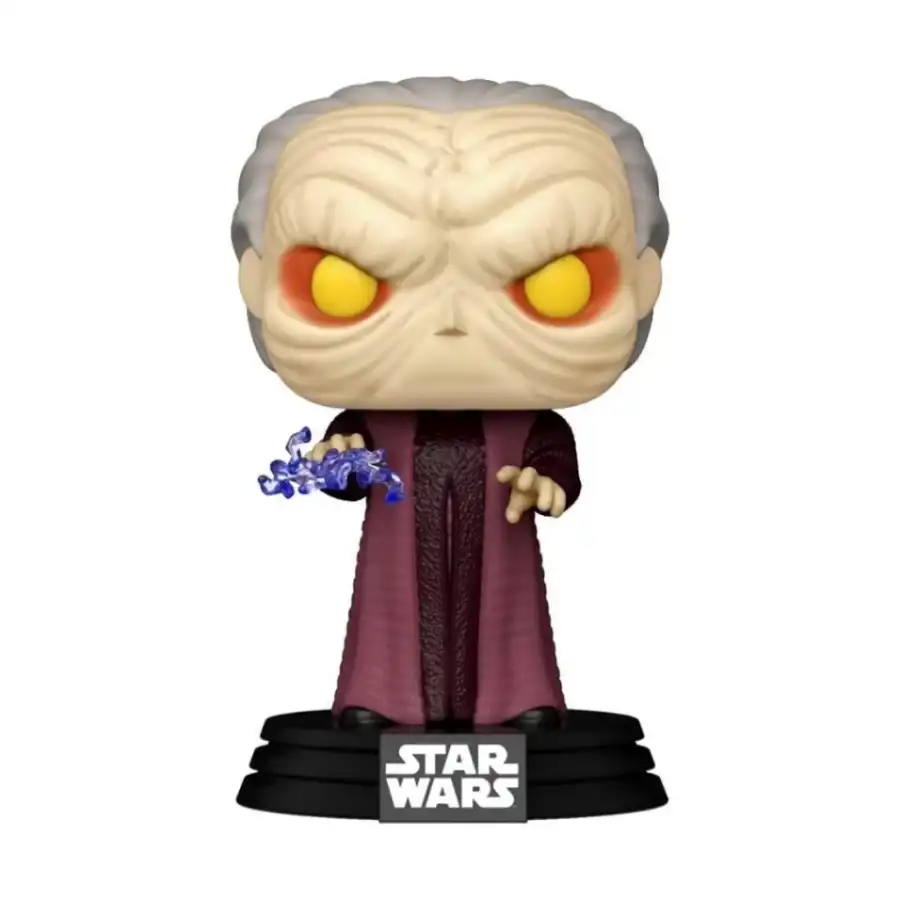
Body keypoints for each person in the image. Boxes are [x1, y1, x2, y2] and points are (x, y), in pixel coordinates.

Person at [232, 77, 668, 728]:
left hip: (502, 552)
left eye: (558, 282)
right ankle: (378, 702)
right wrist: (336, 462)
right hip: (396, 558)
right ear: (257, 281)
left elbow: (554, 463)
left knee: (509, 616)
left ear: (642, 281)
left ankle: (520, 703)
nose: (451, 322)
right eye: (342, 283)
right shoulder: (369, 423)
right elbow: (344, 474)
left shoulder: (528, 427)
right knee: (388, 612)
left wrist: (547, 482)